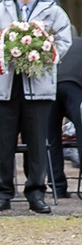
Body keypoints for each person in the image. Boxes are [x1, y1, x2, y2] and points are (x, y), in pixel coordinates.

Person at [0, 0, 72, 213]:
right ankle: (3, 193)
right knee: (5, 143)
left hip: (39, 87)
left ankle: (36, 194)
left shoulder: (53, 11)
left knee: (36, 143)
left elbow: (64, 39)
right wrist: (4, 49)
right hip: (6, 85)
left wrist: (44, 54)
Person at [48, 35, 82, 198]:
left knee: (51, 138)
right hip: (76, 86)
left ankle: (57, 186)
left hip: (51, 85)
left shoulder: (69, 42)